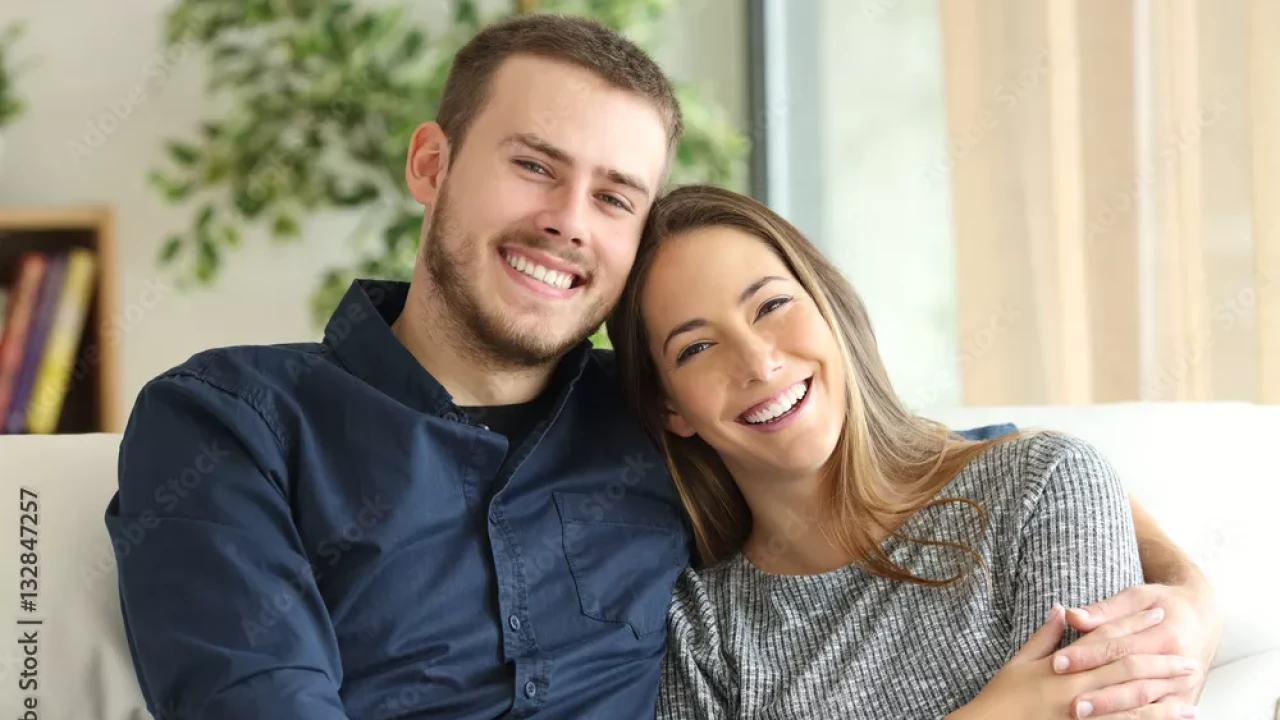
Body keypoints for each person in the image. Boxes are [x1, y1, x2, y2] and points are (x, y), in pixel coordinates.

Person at [103, 13, 1218, 720]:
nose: (566, 223)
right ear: (431, 163)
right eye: (533, 167)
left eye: (614, 196)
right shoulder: (233, 422)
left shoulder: (659, 416)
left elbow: (929, 459)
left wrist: (1188, 594)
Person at [606, 184, 1211, 720]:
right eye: (696, 348)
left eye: (770, 306)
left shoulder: (1039, 488)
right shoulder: (701, 635)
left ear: (828, 308)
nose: (758, 361)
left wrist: (1195, 594)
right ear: (669, 408)